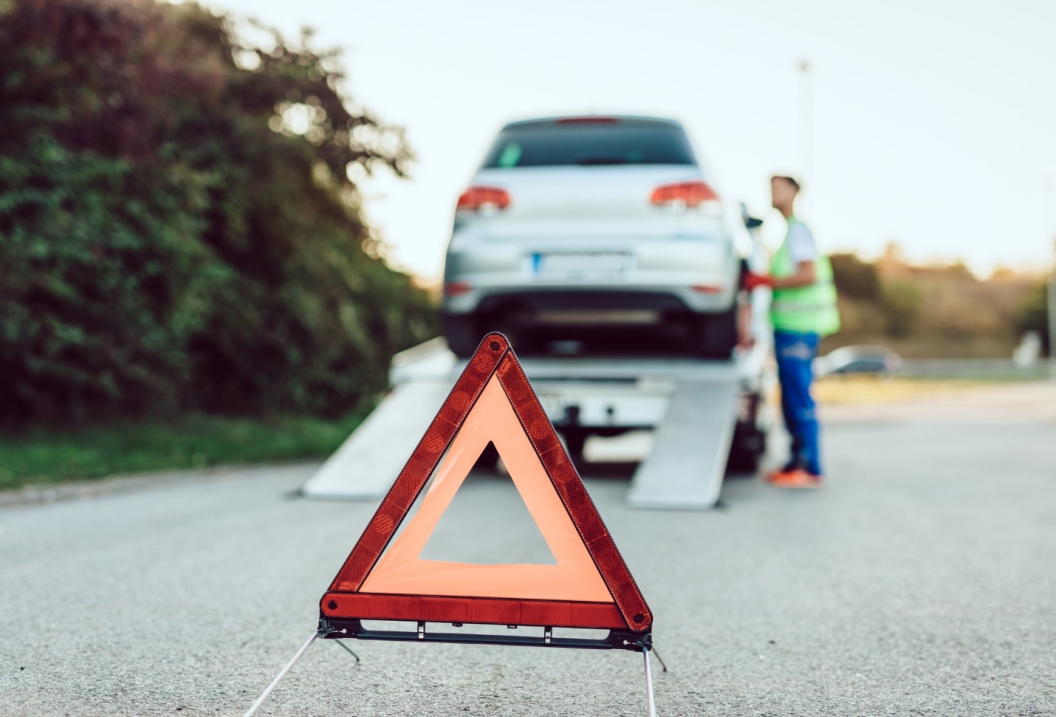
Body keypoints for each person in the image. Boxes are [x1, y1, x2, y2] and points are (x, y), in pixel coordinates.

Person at [743, 176, 840, 488]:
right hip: (790, 328)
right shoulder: (790, 233)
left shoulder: (799, 231)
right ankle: (796, 461)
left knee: (799, 396)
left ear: (795, 192)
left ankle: (809, 467)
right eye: (770, 187)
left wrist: (765, 281)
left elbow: (807, 275)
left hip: (799, 329)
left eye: (778, 187)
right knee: (791, 396)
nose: (772, 193)